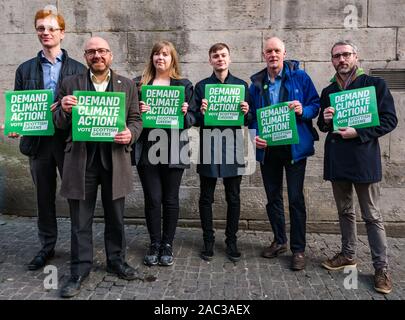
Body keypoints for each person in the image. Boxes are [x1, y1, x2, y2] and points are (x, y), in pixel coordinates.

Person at [54, 36, 142, 298]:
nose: (97, 56)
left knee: (116, 216)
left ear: (110, 55)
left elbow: (136, 119)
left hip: (115, 159)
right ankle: (79, 269)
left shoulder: (126, 85)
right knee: (80, 219)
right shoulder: (70, 84)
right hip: (82, 161)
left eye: (102, 51)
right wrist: (65, 110)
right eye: (91, 52)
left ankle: (117, 261)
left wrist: (131, 134)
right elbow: (58, 122)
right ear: (85, 57)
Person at [317, 40, 397, 294]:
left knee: (372, 215)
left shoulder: (375, 85)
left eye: (346, 55)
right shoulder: (329, 90)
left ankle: (381, 268)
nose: (342, 59)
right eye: (337, 56)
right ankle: (348, 254)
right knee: (344, 211)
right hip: (338, 160)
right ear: (332, 60)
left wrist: (358, 132)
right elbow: (322, 125)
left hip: (364, 159)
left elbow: (389, 120)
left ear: (355, 56)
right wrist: (326, 120)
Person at [11, 6, 86, 271]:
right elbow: (20, 105)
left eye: (51, 28)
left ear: (62, 33)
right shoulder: (25, 69)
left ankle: (80, 247)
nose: (46, 33)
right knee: (44, 198)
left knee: (76, 196)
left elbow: (86, 107)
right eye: (41, 28)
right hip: (39, 142)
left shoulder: (78, 68)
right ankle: (47, 246)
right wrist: (16, 124)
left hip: (68, 142)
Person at [249, 37, 320, 271]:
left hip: (294, 148)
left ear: (284, 52)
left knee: (296, 199)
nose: (273, 55)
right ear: (263, 55)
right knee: (273, 199)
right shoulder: (256, 84)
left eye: (277, 50)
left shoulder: (300, 77)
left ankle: (298, 250)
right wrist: (254, 136)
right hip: (268, 151)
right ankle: (280, 240)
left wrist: (303, 109)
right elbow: (251, 117)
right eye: (269, 51)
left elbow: (315, 104)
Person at [131, 40, 194, 267]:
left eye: (165, 54)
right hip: (147, 149)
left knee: (170, 199)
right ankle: (154, 242)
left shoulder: (184, 86)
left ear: (172, 59)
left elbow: (191, 121)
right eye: (157, 54)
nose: (161, 58)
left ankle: (167, 243)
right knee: (153, 199)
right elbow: (129, 116)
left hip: (174, 148)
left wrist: (186, 112)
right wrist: (139, 109)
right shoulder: (138, 85)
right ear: (152, 58)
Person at [191, 43, 250, 262]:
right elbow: (194, 119)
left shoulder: (242, 86)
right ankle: (208, 240)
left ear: (229, 58)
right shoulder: (202, 86)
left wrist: (246, 112)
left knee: (233, 197)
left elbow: (249, 120)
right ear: (210, 61)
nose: (220, 59)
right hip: (208, 143)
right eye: (215, 56)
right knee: (206, 196)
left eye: (223, 55)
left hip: (233, 144)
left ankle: (231, 240)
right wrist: (201, 112)